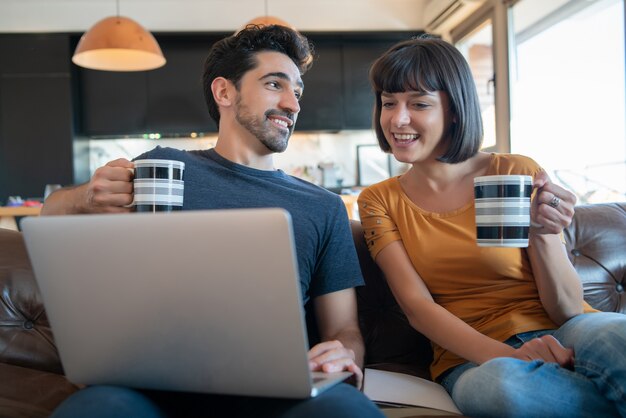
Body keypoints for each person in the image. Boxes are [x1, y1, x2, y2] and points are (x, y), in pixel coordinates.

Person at [44, 24, 384, 418]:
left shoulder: (324, 207)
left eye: (297, 90)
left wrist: (343, 352)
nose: (293, 103)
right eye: (275, 84)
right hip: (149, 387)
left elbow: (344, 329)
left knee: (348, 412)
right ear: (224, 92)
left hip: (277, 395)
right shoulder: (163, 169)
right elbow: (50, 210)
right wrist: (85, 198)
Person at [358, 35, 626, 418]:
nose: (397, 119)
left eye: (418, 103)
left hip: (562, 330)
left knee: (619, 334)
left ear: (454, 110)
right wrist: (513, 357)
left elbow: (567, 308)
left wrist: (545, 233)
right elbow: (418, 308)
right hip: (472, 357)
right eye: (388, 103)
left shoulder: (512, 172)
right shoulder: (381, 200)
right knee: (502, 387)